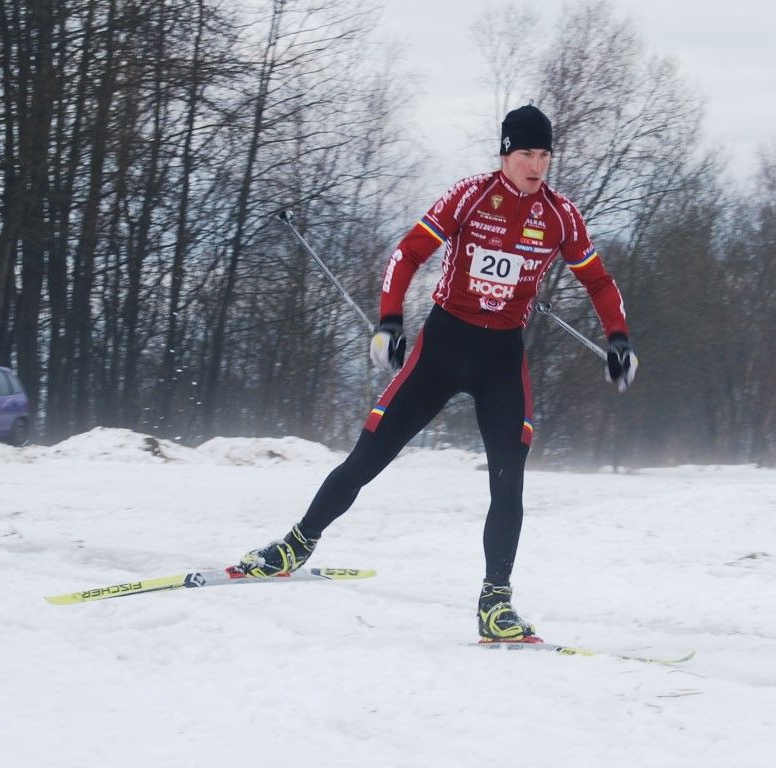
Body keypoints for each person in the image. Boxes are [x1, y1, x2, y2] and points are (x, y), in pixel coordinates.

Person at [240, 104, 638, 641]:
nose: (536, 164)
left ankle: (495, 603)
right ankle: (294, 545)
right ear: (504, 153)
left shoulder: (561, 216)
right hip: (444, 346)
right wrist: (388, 321)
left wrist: (618, 339)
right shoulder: (470, 195)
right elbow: (407, 254)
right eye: (525, 153)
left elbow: (599, 281)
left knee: (508, 480)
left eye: (544, 154)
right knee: (368, 456)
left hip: (502, 358)